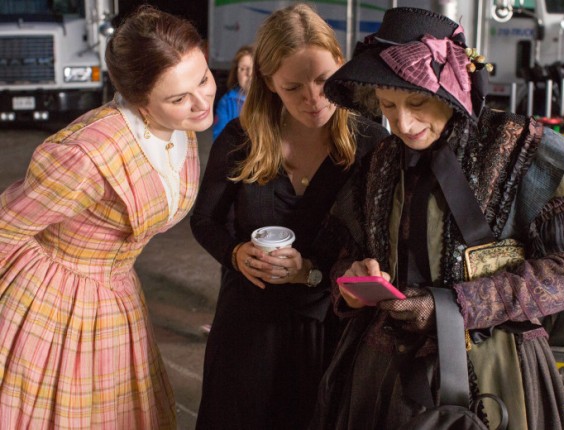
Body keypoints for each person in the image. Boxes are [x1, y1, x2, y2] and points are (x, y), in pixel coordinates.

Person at [310, 7, 564, 430]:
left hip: (495, 370)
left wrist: (455, 308)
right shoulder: (378, 163)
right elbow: (344, 255)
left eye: (416, 102)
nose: (402, 122)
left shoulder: (520, 150)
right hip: (383, 376)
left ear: (454, 86)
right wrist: (352, 282)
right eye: (388, 105)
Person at [0, 6, 215, 429]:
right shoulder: (86, 155)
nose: (201, 102)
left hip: (118, 295)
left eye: (204, 79)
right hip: (55, 303)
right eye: (178, 98)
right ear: (139, 101)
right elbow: (6, 227)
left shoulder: (182, 129)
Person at [190, 3, 389, 429]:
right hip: (247, 332)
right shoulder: (241, 139)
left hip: (329, 332)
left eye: (323, 80)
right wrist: (235, 254)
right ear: (268, 82)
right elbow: (204, 221)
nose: (313, 99)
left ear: (341, 65)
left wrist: (311, 273)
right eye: (293, 87)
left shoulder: (371, 144)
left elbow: (380, 247)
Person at [212, 45, 254, 141]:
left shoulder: (270, 100)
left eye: (254, 68)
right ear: (236, 73)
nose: (249, 74)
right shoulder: (226, 102)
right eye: (243, 69)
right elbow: (219, 140)